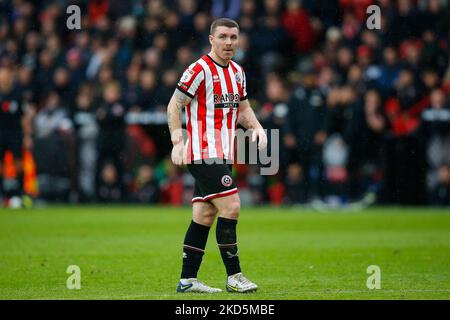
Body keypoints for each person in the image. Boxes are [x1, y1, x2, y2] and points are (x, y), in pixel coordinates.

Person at [167, 18, 267, 293]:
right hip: (202, 153)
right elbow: (175, 105)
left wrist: (257, 128)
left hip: (223, 153)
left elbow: (244, 109)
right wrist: (177, 140)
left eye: (233, 37)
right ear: (211, 39)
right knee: (232, 206)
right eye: (223, 37)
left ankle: (188, 280)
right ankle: (234, 276)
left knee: (204, 214)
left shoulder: (237, 72)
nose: (229, 42)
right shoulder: (198, 69)